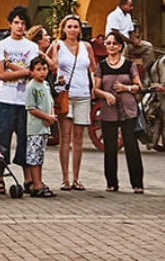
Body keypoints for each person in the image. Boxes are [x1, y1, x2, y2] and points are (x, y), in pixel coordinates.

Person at [0, 5, 39, 194]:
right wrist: (24, 71)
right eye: (16, 23)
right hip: (5, 99)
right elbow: (1, 75)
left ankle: (28, 178)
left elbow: (34, 73)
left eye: (23, 23)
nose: (19, 26)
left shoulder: (32, 47)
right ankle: (0, 179)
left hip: (25, 100)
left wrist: (13, 67)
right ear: (10, 24)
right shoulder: (1, 45)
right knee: (1, 139)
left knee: (25, 140)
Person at [47, 14, 95, 191]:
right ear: (63, 29)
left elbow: (93, 69)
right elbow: (50, 65)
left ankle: (76, 177)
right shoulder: (57, 45)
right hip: (65, 95)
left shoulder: (86, 47)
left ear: (80, 29)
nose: (73, 29)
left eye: (76, 26)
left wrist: (94, 86)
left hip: (83, 94)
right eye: (69, 26)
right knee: (65, 138)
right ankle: (64, 178)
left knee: (79, 139)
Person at [94, 31, 144, 193]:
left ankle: (137, 183)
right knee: (110, 147)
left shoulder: (129, 65)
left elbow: (139, 86)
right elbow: (95, 89)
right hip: (109, 110)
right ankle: (111, 182)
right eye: (108, 43)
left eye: (114, 43)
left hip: (128, 109)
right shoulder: (101, 66)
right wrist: (106, 94)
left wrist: (125, 88)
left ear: (120, 46)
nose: (111, 46)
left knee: (131, 145)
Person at [23, 56, 57, 198]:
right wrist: (47, 117)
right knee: (34, 157)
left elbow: (51, 103)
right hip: (35, 128)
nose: (42, 72)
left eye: (44, 69)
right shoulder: (31, 87)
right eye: (38, 69)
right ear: (32, 71)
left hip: (45, 127)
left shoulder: (46, 85)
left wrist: (52, 116)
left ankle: (39, 182)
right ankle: (36, 185)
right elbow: (31, 108)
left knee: (40, 157)